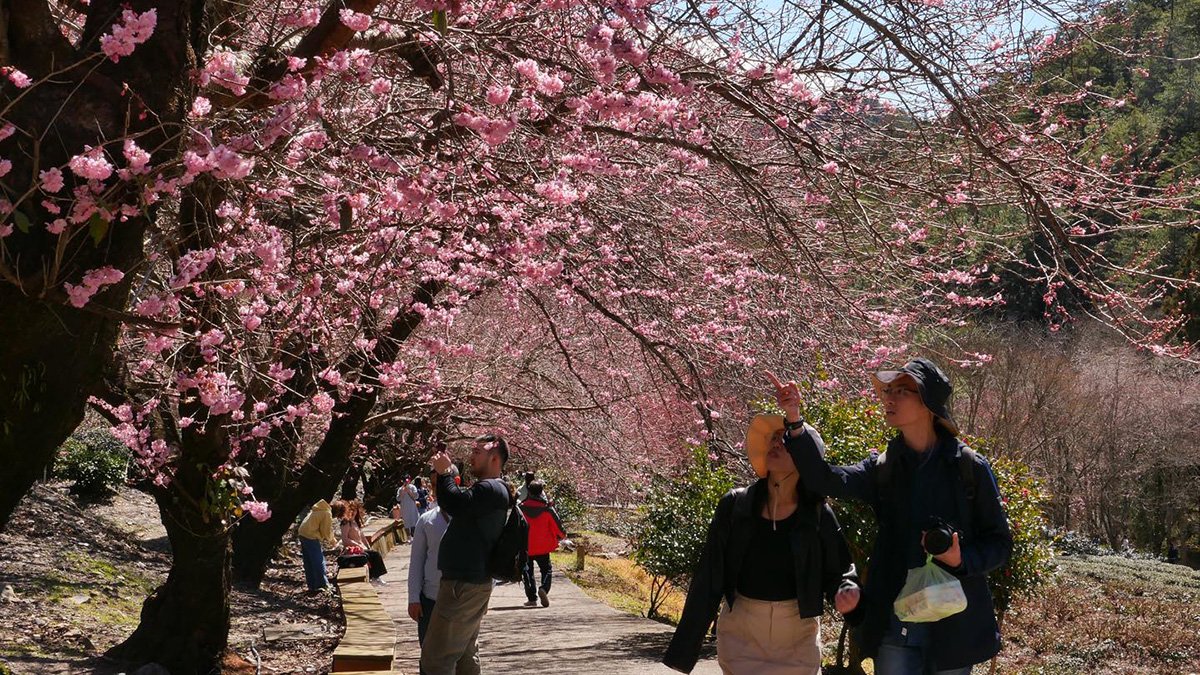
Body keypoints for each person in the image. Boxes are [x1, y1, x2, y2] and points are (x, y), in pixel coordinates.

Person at [769, 358, 1013, 675]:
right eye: (889, 391)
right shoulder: (883, 468)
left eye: (902, 391)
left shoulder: (968, 467)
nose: (889, 399)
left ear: (928, 402)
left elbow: (1000, 544)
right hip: (896, 624)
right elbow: (825, 480)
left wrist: (960, 559)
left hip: (953, 625)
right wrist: (794, 420)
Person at [664, 414, 863, 674]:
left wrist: (847, 594)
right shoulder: (735, 506)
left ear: (806, 457)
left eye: (786, 440)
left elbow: (839, 571)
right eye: (773, 439)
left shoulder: (818, 514)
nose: (776, 444)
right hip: (742, 633)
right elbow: (709, 577)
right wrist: (685, 650)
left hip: (797, 637)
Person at [420, 434, 512, 675]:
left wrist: (445, 474)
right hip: (470, 582)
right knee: (464, 653)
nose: (471, 457)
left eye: (477, 452)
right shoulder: (495, 489)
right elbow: (458, 501)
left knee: (437, 657)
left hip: (462, 585)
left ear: (494, 458)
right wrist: (446, 476)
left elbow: (455, 503)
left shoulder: (490, 488)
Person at [409, 467, 456, 648]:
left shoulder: (471, 517)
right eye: (434, 485)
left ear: (455, 483)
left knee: (461, 655)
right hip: (430, 599)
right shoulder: (426, 520)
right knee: (429, 653)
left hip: (463, 599)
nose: (436, 489)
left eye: (441, 484)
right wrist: (413, 598)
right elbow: (417, 561)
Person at [519, 480, 566, 608]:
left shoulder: (521, 509)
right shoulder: (547, 510)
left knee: (527, 572)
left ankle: (532, 598)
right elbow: (559, 528)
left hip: (526, 546)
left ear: (528, 491)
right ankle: (544, 588)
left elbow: (515, 527)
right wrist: (562, 536)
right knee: (547, 570)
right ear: (541, 492)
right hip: (543, 547)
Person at [334, 499, 390, 585]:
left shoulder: (355, 522)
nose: (353, 512)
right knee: (372, 555)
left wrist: (367, 545)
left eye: (355, 510)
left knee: (374, 554)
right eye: (351, 510)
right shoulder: (346, 523)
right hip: (353, 549)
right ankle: (374, 577)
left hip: (361, 547)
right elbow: (345, 540)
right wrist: (357, 545)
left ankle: (375, 577)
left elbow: (362, 536)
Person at [297, 498, 337, 593]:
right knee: (318, 560)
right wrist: (333, 541)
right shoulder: (326, 513)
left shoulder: (318, 509)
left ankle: (312, 585)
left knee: (309, 561)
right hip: (310, 536)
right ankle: (322, 584)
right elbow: (326, 531)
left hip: (302, 533)